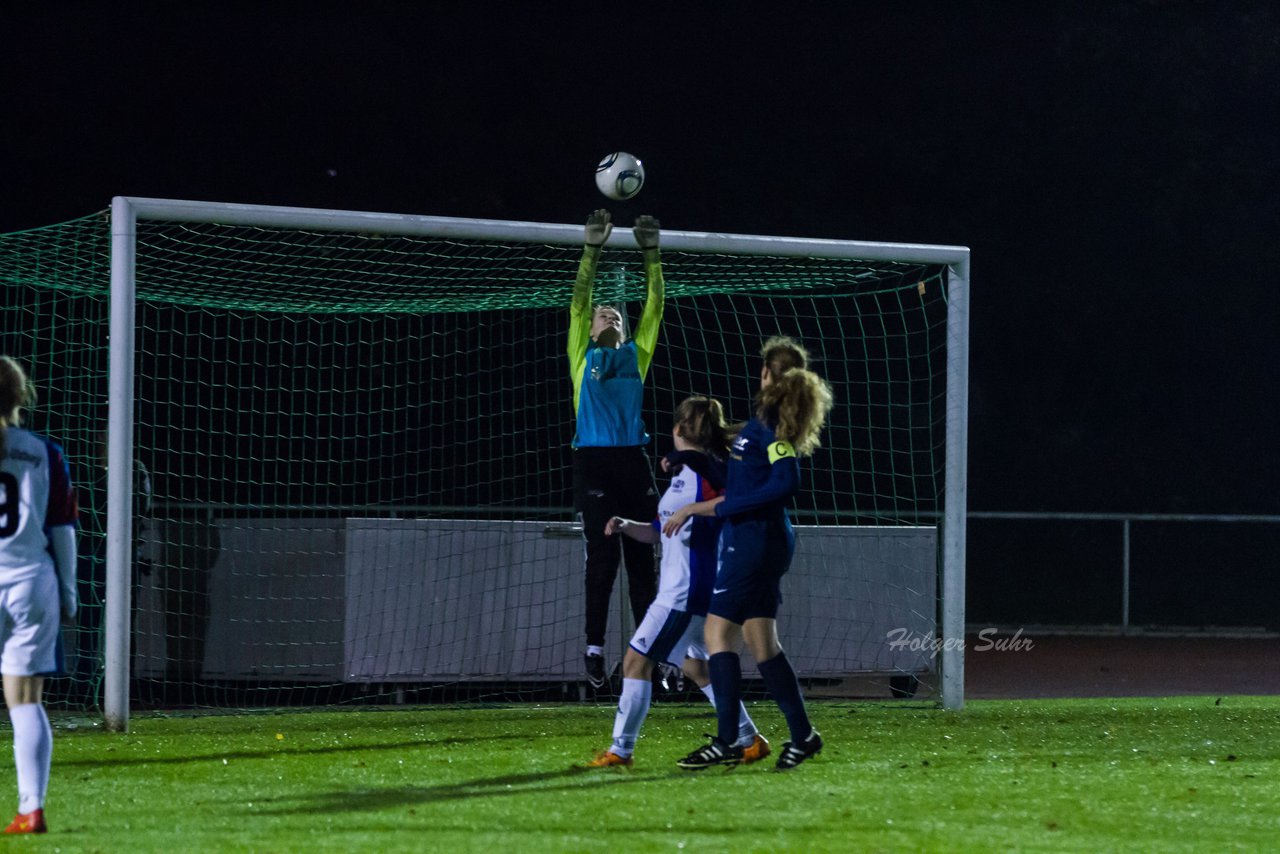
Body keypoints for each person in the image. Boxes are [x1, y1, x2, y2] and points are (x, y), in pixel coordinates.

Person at [665, 336, 834, 771]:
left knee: (716, 636)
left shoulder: (773, 427)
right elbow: (740, 476)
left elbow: (785, 482)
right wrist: (694, 463)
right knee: (764, 646)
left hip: (754, 542)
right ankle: (804, 736)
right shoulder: (761, 423)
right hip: (759, 540)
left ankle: (727, 739)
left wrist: (728, 508)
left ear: (766, 375)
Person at [585, 397, 770, 768]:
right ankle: (751, 739)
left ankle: (621, 750)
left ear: (677, 430)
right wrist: (627, 525)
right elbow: (660, 532)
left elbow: (734, 499)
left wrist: (689, 480)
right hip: (690, 590)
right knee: (696, 668)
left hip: (684, 593)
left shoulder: (708, 470)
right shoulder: (685, 475)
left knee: (635, 662)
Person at [568, 209, 664, 688]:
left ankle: (657, 658)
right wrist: (592, 249)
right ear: (587, 329)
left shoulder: (635, 357)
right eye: (603, 313)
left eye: (617, 315)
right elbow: (579, 301)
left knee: (643, 564)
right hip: (594, 463)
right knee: (603, 560)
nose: (610, 314)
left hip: (633, 460)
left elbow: (655, 308)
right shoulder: (582, 358)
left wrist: (652, 255)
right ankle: (593, 651)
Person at [0, 356, 79, 833]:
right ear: (19, 396)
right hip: (32, 581)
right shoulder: (43, 451)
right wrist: (69, 592)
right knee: (26, 701)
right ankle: (32, 807)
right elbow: (63, 528)